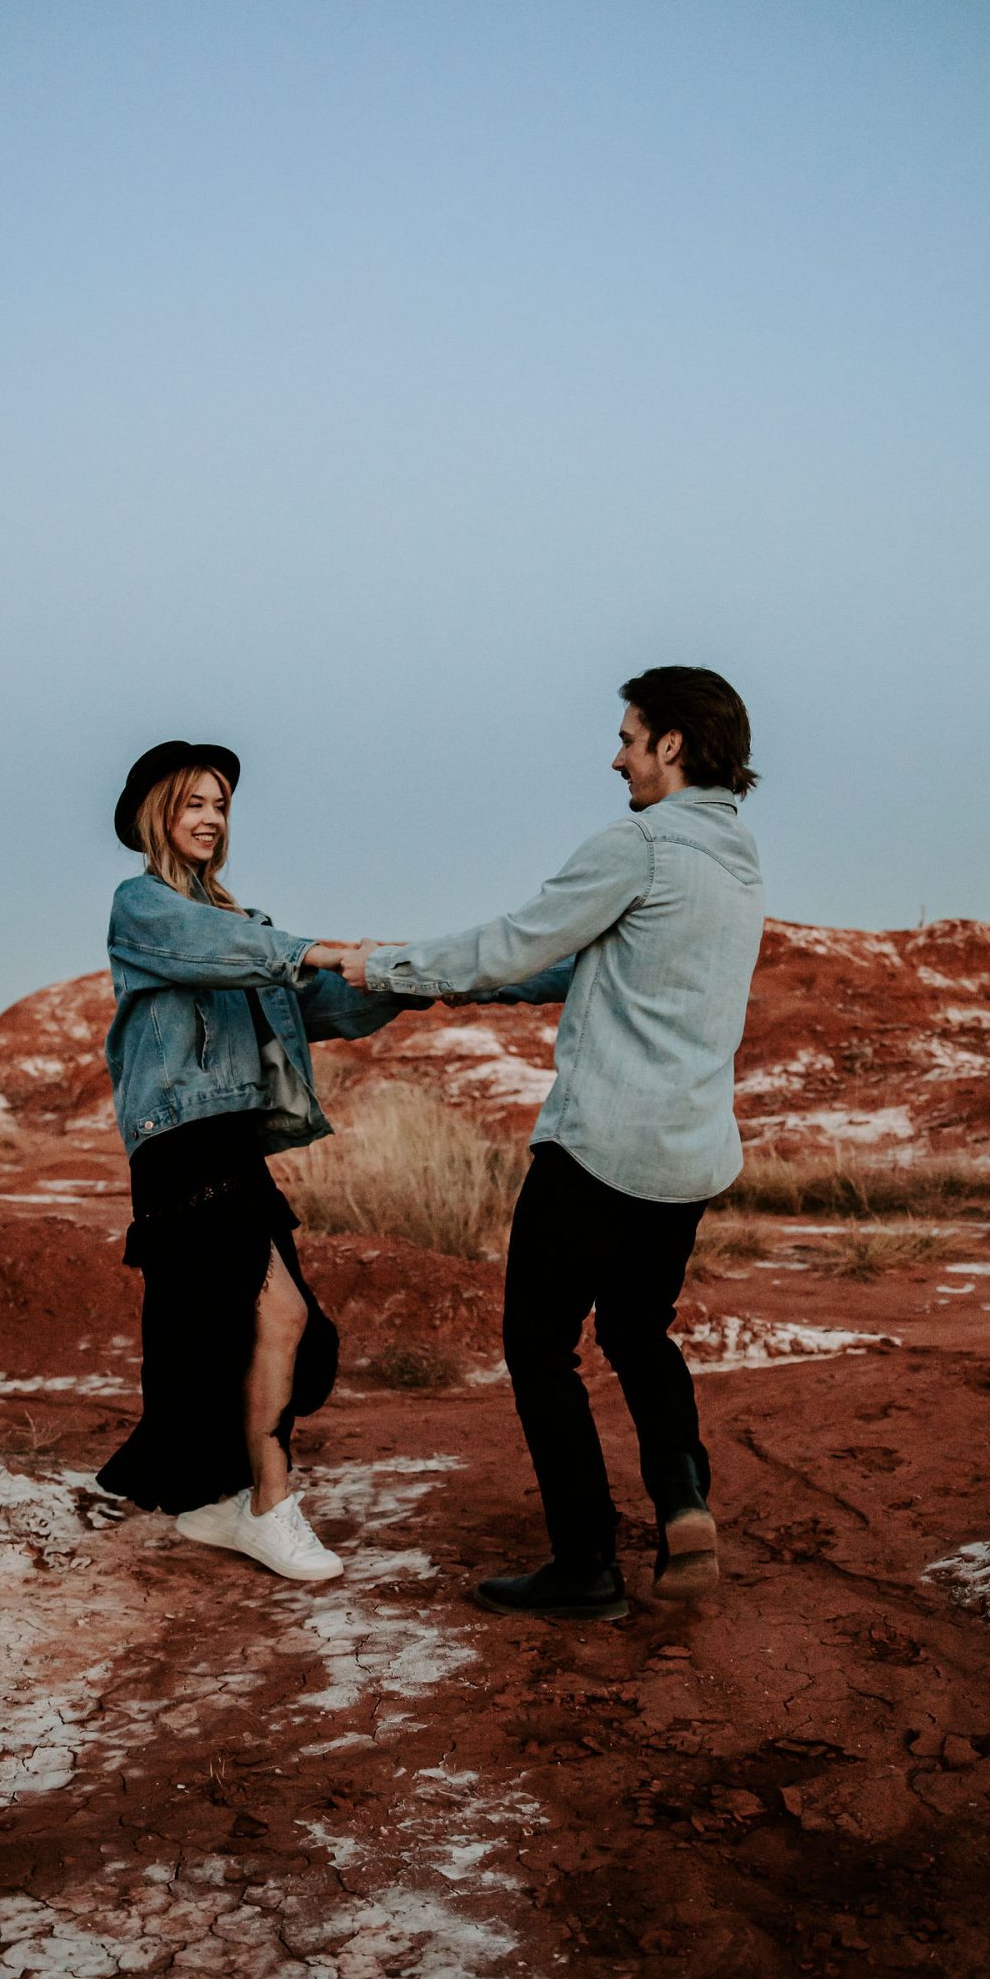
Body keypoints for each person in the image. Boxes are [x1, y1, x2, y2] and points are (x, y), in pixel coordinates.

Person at [341, 667, 764, 1621]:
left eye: (628, 736)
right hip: (687, 1156)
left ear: (672, 746)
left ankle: (584, 1566)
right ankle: (682, 1499)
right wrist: (446, 975)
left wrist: (380, 968)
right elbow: (573, 968)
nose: (614, 755)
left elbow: (515, 940)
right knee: (635, 1330)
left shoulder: (641, 844)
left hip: (600, 1146)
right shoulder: (738, 864)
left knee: (539, 1347)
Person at [96, 738, 408, 1585]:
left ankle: (218, 1500)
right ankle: (268, 1501)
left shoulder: (237, 930)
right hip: (180, 1140)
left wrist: (400, 976)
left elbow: (314, 1005)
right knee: (271, 1317)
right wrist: (313, 947)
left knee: (237, 1328)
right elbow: (221, 949)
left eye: (220, 805)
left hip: (226, 1139)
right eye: (194, 802)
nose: (210, 817)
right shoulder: (148, 908)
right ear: (156, 813)